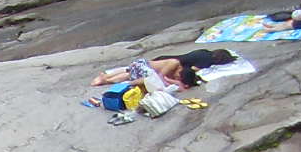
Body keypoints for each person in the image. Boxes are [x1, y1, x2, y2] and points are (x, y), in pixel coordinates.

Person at [91, 49, 237, 88]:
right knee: (134, 76)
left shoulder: (204, 52)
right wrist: (173, 82)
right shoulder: (175, 64)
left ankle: (105, 77)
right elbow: (159, 76)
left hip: (148, 62)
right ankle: (106, 80)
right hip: (149, 65)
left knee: (129, 72)